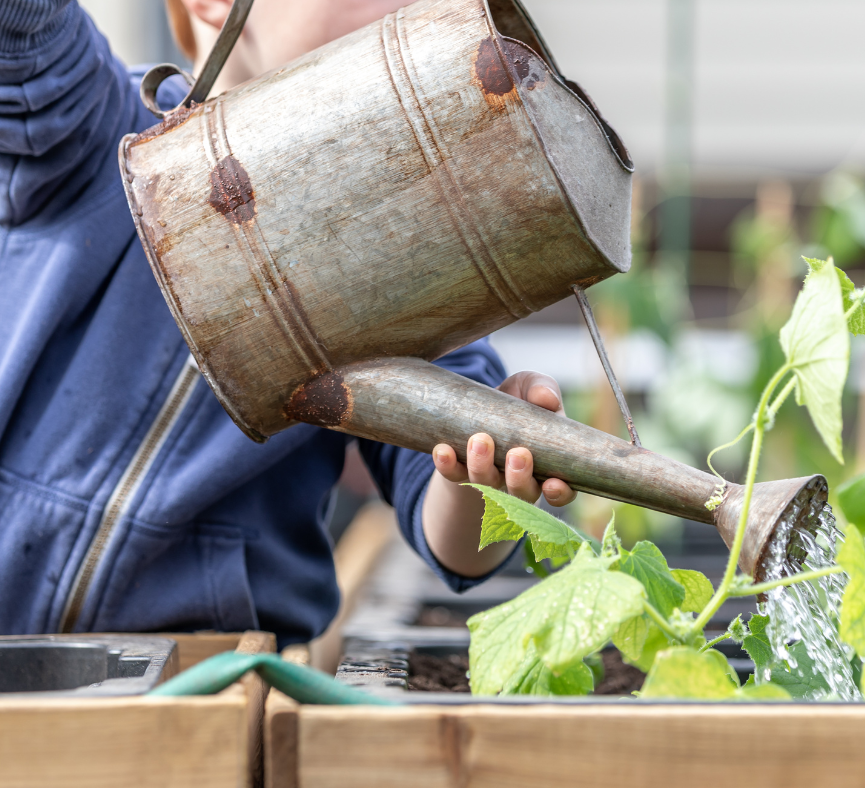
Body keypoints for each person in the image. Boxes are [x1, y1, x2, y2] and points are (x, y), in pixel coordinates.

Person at [0, 0, 575, 644]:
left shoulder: (399, 252)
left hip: (206, 689)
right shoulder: (88, 124)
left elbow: (456, 546)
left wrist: (483, 473)